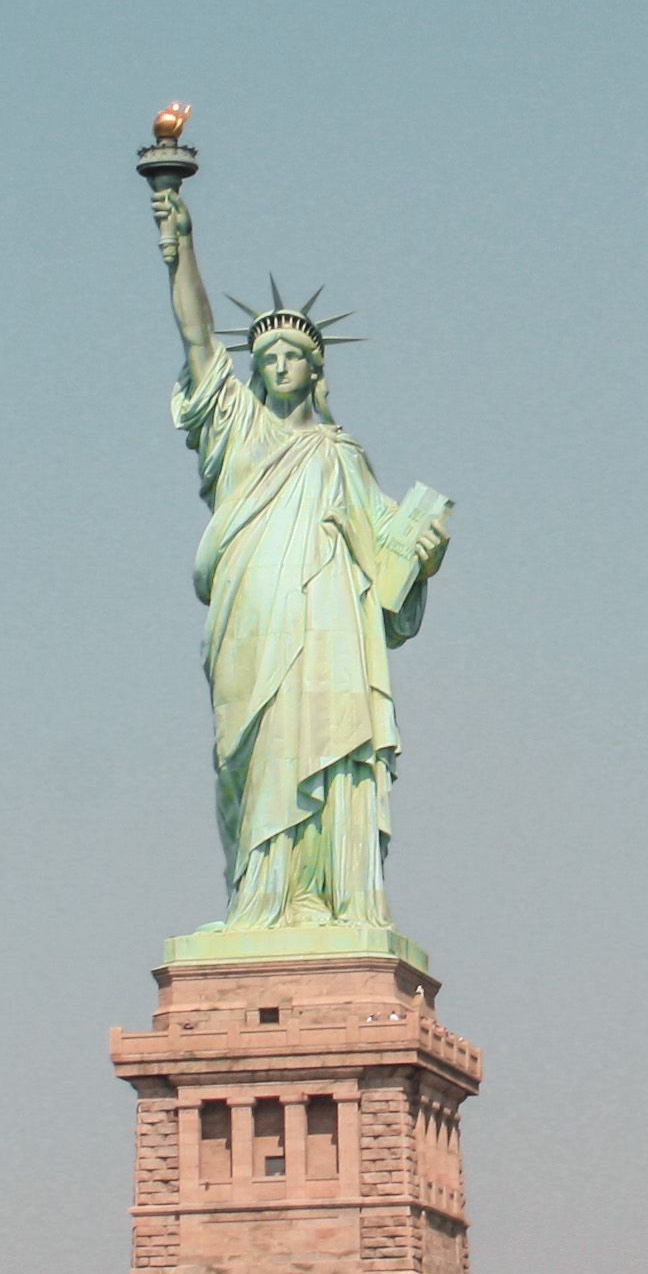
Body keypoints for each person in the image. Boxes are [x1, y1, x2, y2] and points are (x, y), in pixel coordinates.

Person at [149, 177, 448, 931]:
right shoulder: (239, 431)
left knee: (327, 742)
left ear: (318, 369)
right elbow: (195, 337)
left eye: (294, 354)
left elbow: (390, 558)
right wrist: (179, 246)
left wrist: (424, 547)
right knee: (257, 755)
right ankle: (261, 898)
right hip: (255, 615)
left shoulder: (343, 456)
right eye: (268, 354)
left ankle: (323, 894)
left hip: (330, 629)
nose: (279, 363)